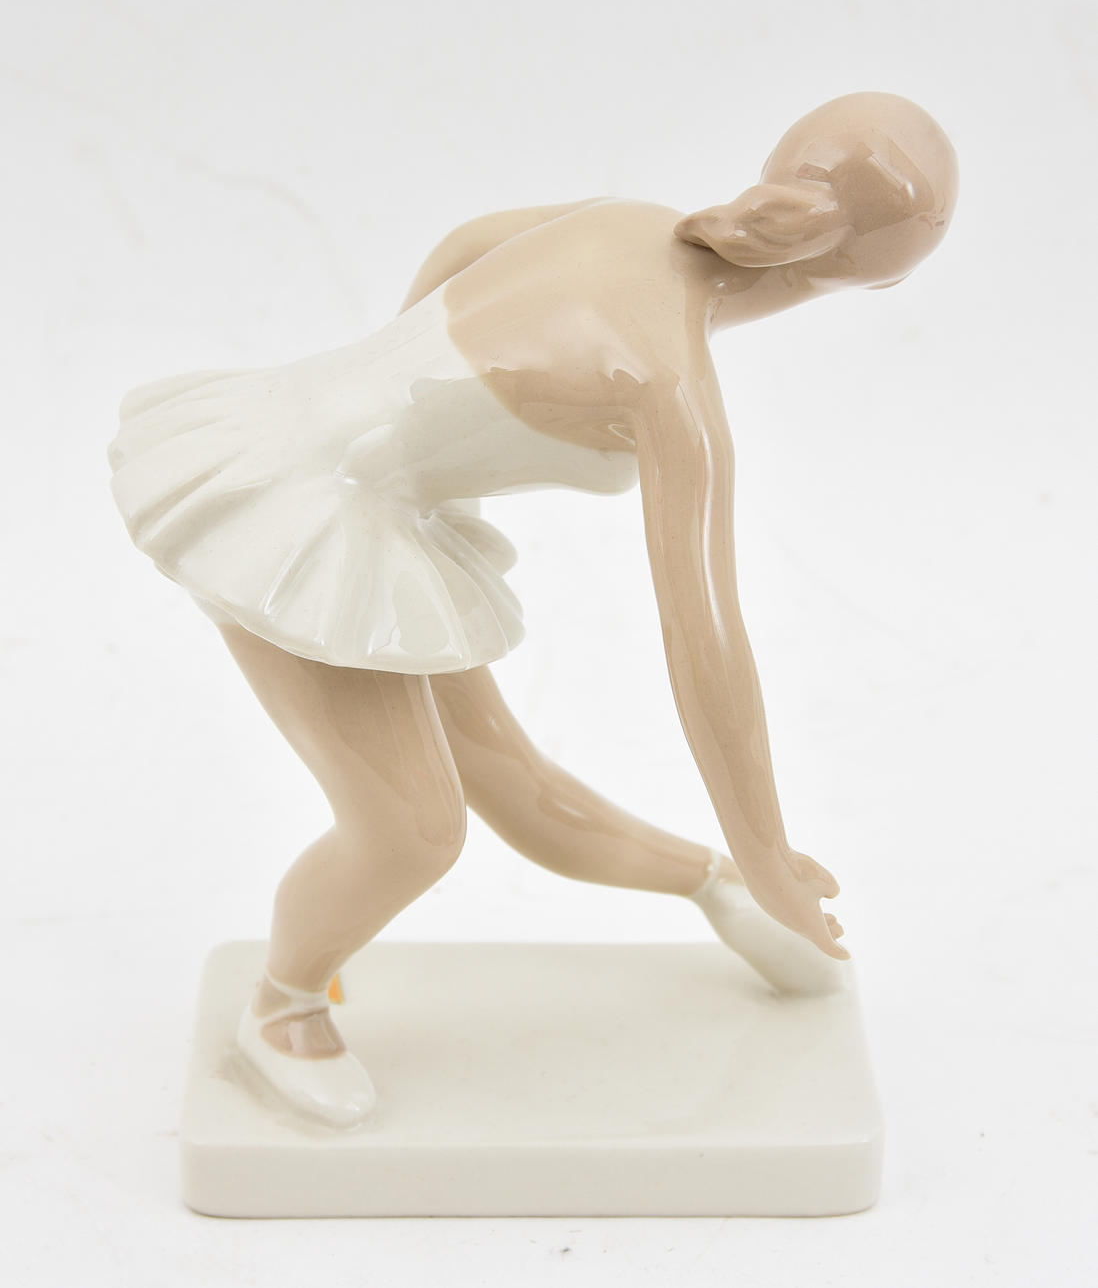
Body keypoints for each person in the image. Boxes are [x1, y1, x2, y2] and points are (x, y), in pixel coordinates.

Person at [109, 91, 958, 1127]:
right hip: (305, 511)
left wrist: (409, 409)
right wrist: (773, 848)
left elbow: (467, 243)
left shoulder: (625, 218)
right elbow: (705, 640)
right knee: (413, 833)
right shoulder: (671, 388)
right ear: (866, 281)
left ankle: (711, 887)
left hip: (324, 463)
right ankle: (281, 1005)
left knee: (513, 787)